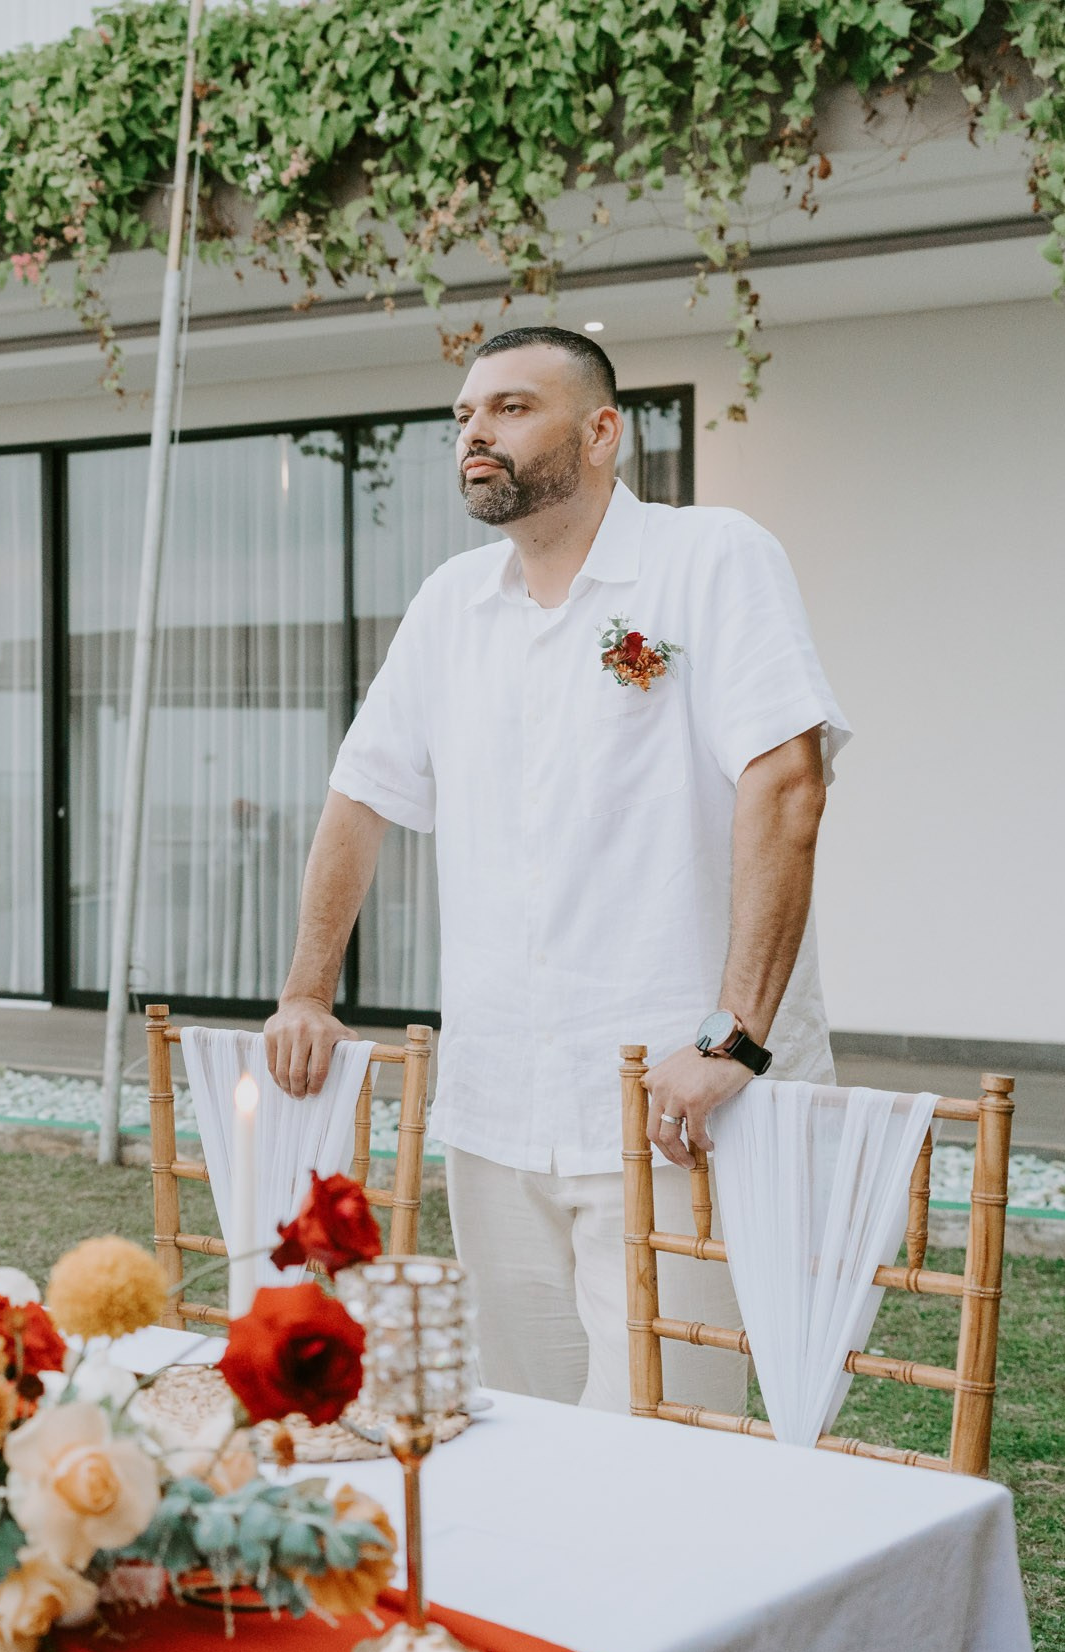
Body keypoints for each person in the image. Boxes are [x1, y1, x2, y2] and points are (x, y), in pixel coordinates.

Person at [263, 326, 848, 1414]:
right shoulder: (449, 603)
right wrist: (306, 989)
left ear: (601, 431)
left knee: (668, 1447)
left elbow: (787, 786)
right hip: (494, 1109)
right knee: (518, 1427)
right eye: (463, 414)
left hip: (676, 1109)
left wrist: (733, 1038)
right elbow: (360, 794)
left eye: (512, 407)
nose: (475, 432)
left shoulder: (712, 557)